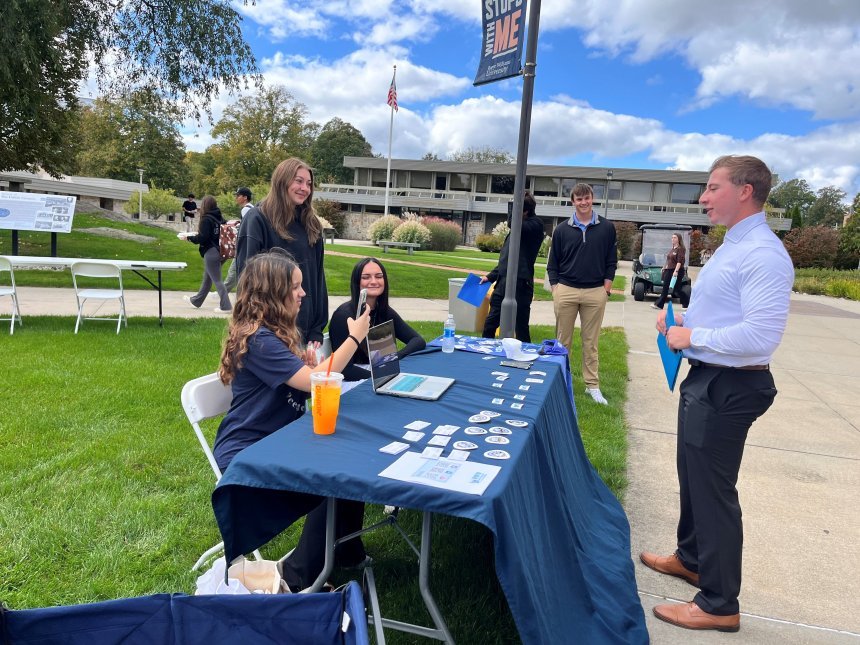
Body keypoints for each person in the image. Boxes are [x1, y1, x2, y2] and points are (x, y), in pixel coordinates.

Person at [641, 155, 794, 633]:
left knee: (714, 494)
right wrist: (685, 321)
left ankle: (719, 603)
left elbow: (761, 336)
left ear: (745, 191)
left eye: (712, 188)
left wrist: (693, 338)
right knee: (693, 478)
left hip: (731, 386)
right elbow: (729, 315)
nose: (703, 198)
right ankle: (691, 559)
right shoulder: (733, 245)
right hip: (708, 378)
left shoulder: (764, 254)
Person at [214, 249, 372, 590]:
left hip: (279, 439)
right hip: (248, 450)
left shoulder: (277, 333)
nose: (303, 293)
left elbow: (307, 377)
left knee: (348, 461)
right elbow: (315, 379)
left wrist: (307, 362)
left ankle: (343, 548)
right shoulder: (258, 339)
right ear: (272, 293)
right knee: (331, 476)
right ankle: (298, 576)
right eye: (295, 287)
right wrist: (354, 337)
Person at [235, 158, 327, 347]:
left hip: (304, 330)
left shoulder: (311, 224)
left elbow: (318, 278)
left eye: (309, 183)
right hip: (269, 332)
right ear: (282, 181)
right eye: (298, 181)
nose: (305, 188)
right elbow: (245, 279)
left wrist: (317, 328)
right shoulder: (257, 220)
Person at [546, 183, 617, 405]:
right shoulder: (561, 230)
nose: (584, 202)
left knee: (590, 342)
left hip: (595, 291)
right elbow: (553, 263)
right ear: (572, 202)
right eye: (579, 199)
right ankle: (559, 383)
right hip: (566, 290)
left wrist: (606, 287)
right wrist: (556, 288)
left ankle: (592, 386)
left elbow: (611, 260)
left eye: (587, 198)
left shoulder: (606, 227)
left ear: (592, 198)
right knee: (562, 341)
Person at [328, 257, 425, 382]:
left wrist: (393, 359)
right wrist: (381, 377)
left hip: (379, 374)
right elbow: (345, 369)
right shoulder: (344, 316)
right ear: (357, 282)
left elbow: (417, 340)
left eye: (379, 276)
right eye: (366, 277)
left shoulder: (383, 310)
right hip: (353, 382)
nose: (374, 281)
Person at [480, 192, 545, 342]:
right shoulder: (515, 231)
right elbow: (507, 259)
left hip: (521, 284)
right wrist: (490, 277)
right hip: (503, 283)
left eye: (516, 209)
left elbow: (514, 224)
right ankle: (485, 354)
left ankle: (524, 358)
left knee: (521, 327)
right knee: (490, 324)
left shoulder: (535, 225)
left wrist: (513, 208)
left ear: (526, 210)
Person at [182, 195, 231, 313]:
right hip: (221, 251)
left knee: (217, 280)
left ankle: (226, 306)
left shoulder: (206, 219)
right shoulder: (220, 218)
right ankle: (196, 301)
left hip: (211, 252)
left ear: (204, 205)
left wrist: (188, 238)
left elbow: (202, 238)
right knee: (208, 278)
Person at [223, 187, 253, 292]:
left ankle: (222, 293)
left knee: (235, 271)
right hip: (247, 246)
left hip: (244, 246)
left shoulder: (245, 209)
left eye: (238, 195)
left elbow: (248, 227)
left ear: (245, 197)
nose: (236, 198)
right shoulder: (251, 208)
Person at [651, 233, 686, 310]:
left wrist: (676, 271)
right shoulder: (673, 249)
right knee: (665, 287)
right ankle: (659, 305)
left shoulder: (681, 249)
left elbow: (679, 261)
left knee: (677, 290)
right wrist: (664, 267)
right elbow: (668, 260)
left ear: (679, 239)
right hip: (668, 270)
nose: (673, 239)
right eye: (672, 238)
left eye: (675, 238)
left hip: (677, 271)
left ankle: (687, 303)